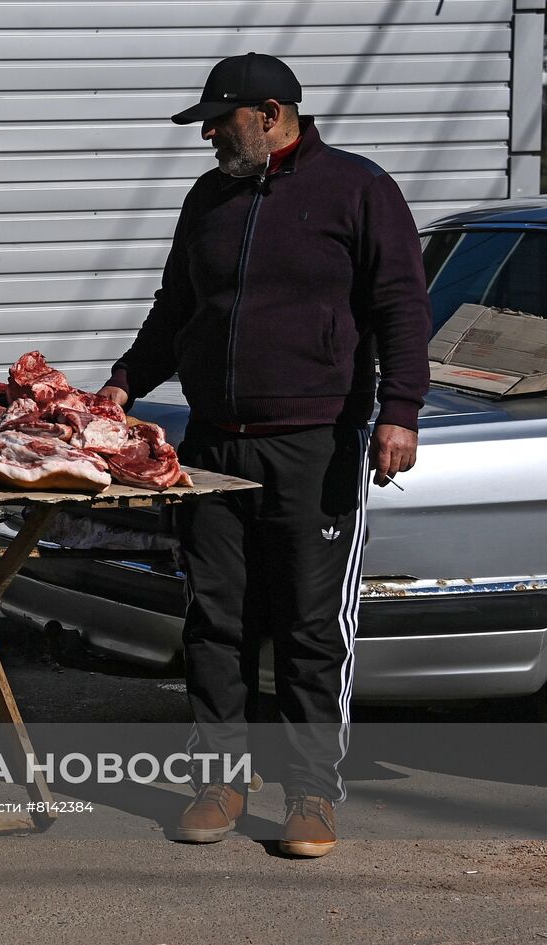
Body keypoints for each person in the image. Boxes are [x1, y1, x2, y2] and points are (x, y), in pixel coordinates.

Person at [97, 53, 431, 858]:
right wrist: (124, 382)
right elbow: (178, 304)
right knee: (215, 619)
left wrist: (401, 412)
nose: (209, 133)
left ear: (272, 113)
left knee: (309, 626)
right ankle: (220, 779)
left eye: (221, 119)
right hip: (212, 443)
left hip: (314, 442)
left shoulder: (357, 189)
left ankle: (311, 794)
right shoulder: (209, 197)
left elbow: (401, 305)